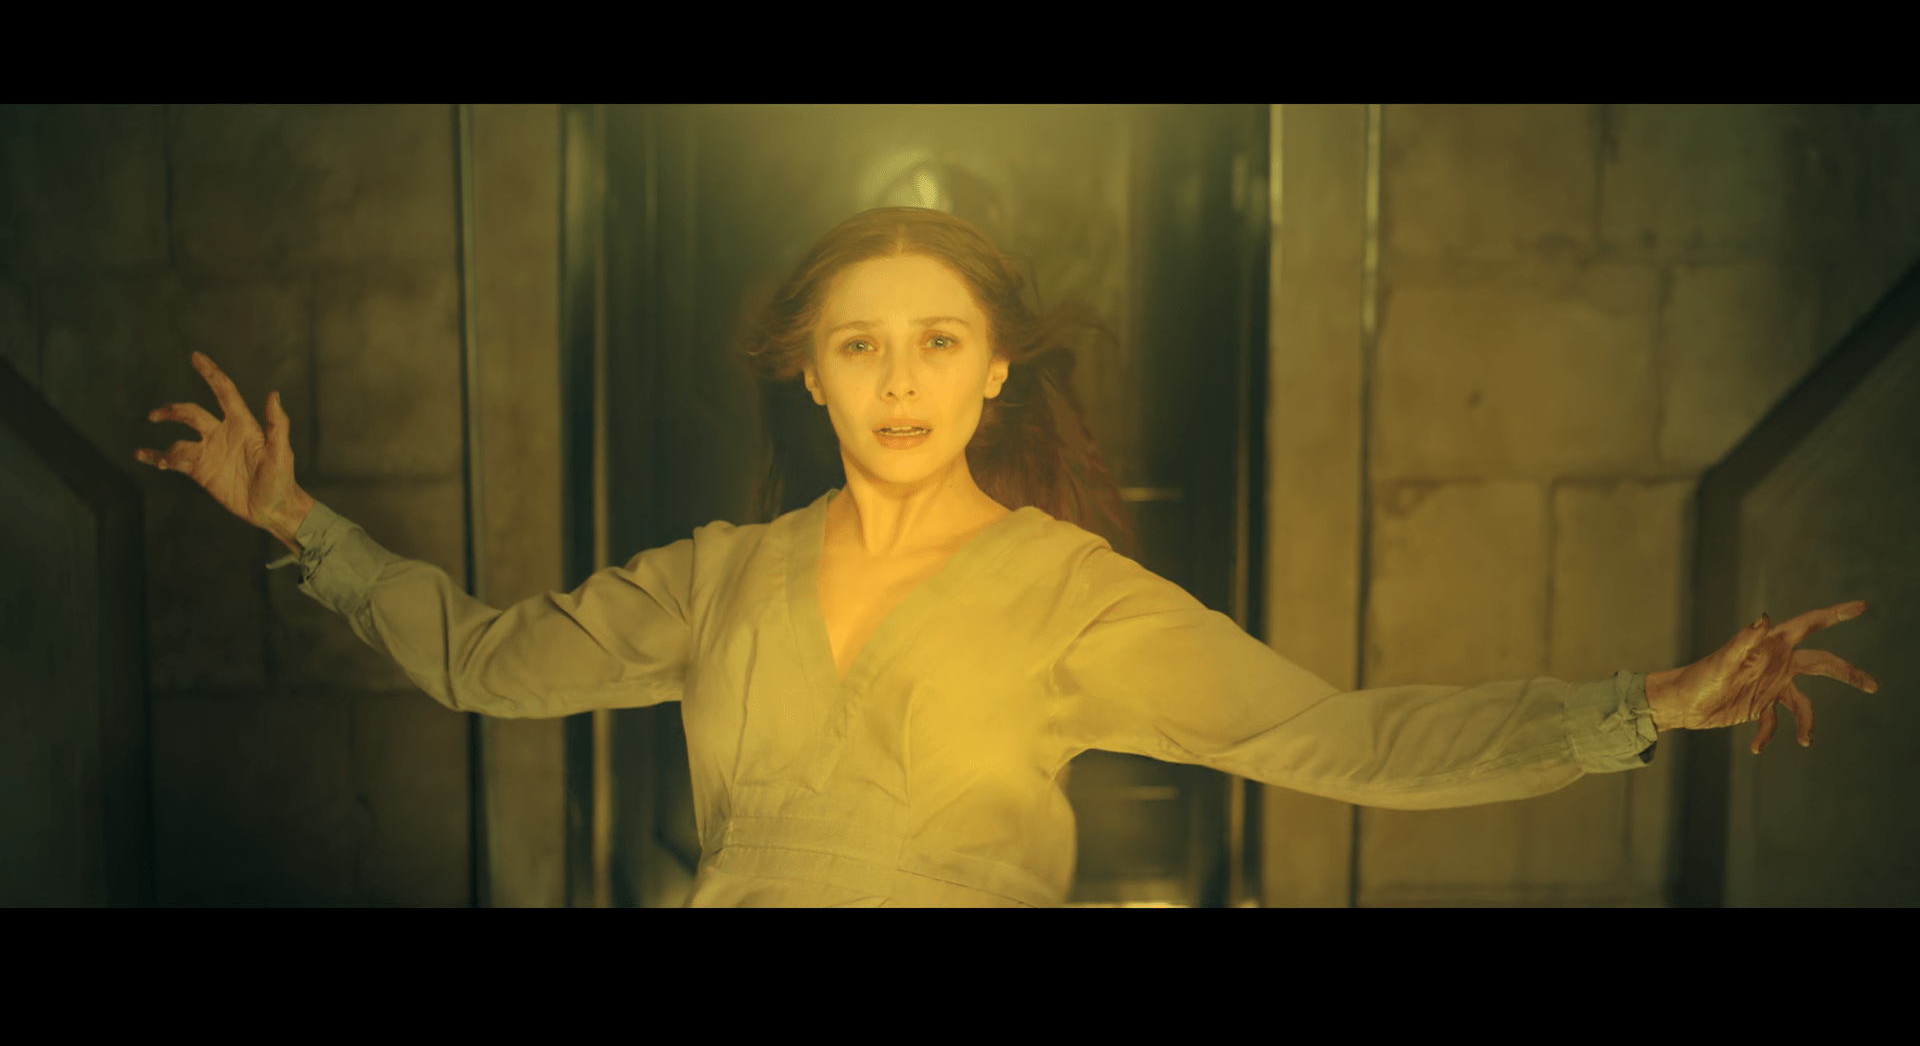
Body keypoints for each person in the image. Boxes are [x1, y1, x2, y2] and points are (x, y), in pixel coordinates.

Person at [136, 208, 1882, 907]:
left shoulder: (1068, 596)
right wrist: (296, 522)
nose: (898, 379)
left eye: (936, 342)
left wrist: (1638, 708)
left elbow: (1342, 741)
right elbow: (486, 662)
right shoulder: (720, 577)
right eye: (859, 345)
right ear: (809, 373)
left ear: (991, 373)